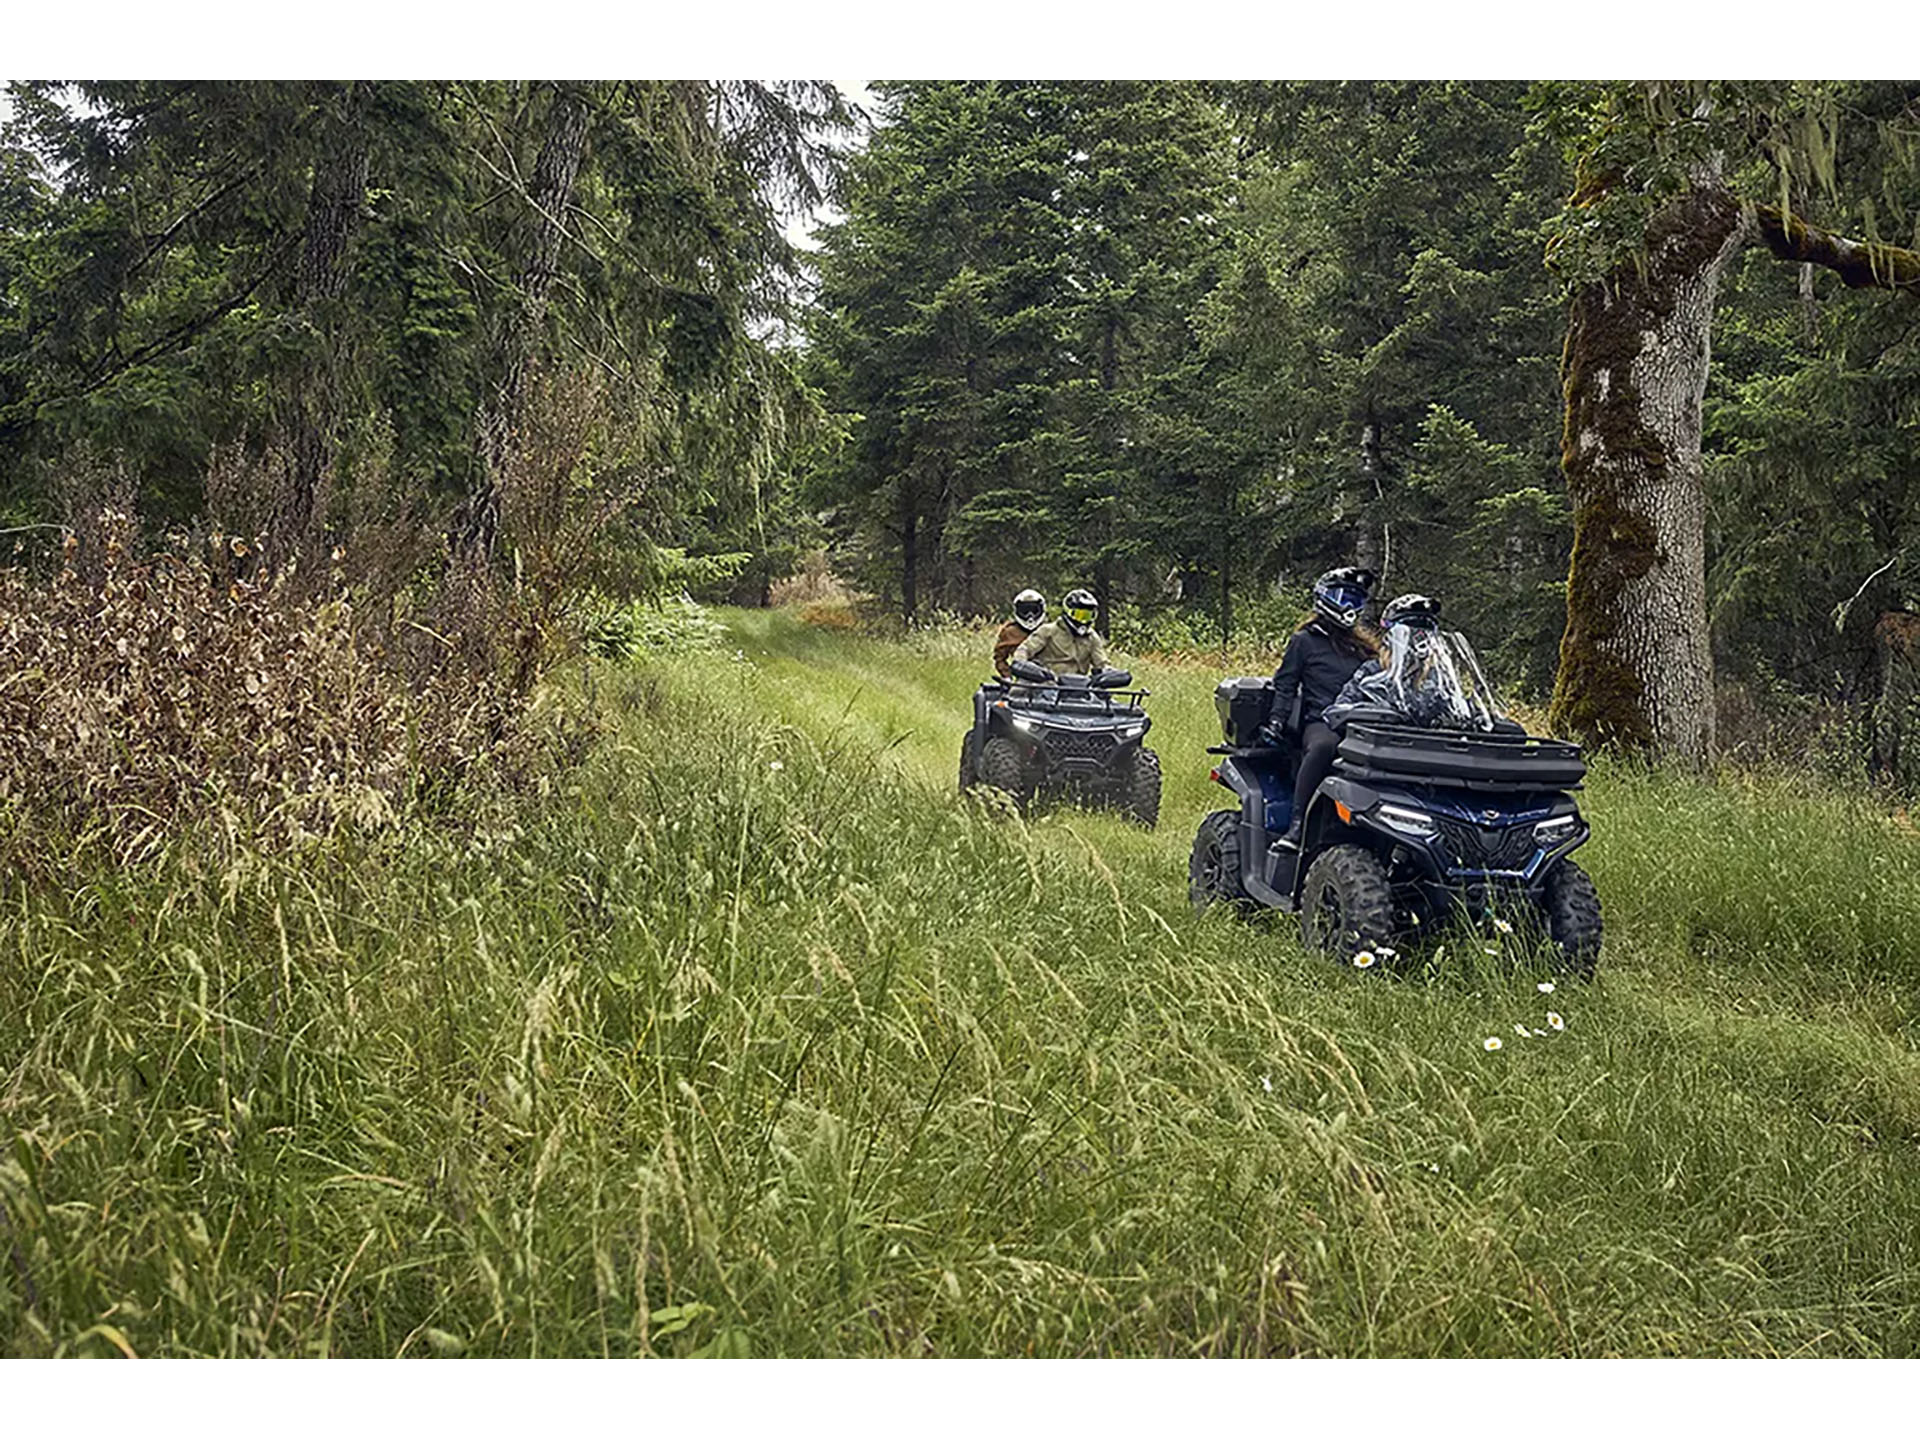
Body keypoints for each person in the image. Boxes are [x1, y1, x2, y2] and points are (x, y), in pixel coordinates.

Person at [1262, 567, 1380, 849]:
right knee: (1324, 746)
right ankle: (1298, 825)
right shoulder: (1304, 641)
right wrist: (1276, 721)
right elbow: (1285, 684)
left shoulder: (1365, 648)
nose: (1350, 606)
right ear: (1325, 598)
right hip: (1321, 721)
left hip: (1363, 722)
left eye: (1356, 600)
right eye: (1343, 597)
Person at [1012, 587, 1109, 676]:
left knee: (1104, 695)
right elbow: (1024, 650)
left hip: (1080, 687)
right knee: (1019, 691)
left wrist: (1110, 673)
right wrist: (1023, 665)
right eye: (1078, 615)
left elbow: (1102, 663)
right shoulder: (1048, 630)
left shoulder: (1092, 637)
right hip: (1047, 683)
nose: (1082, 621)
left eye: (1087, 616)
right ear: (1068, 612)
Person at [994, 589, 1047, 678]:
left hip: (1050, 678)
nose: (1030, 616)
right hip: (1022, 680)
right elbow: (999, 658)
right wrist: (1008, 676)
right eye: (1025, 611)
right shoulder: (1009, 632)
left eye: (1034, 611)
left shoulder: (1048, 629)